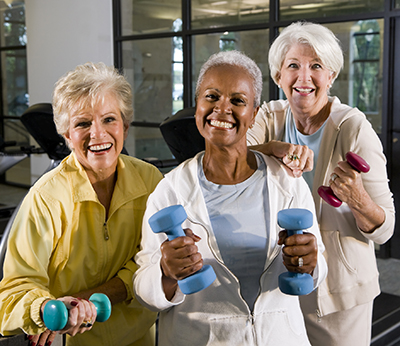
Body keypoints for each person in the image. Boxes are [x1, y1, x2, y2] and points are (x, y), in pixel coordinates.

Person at [133, 50, 327, 346]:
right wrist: (165, 272)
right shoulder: (170, 189)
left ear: (254, 113)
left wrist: (311, 264)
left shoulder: (287, 180)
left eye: (237, 100)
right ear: (197, 105)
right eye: (211, 97)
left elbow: (317, 268)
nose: (222, 109)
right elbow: (144, 290)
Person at [247, 21, 395, 346]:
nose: (304, 78)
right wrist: (272, 148)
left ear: (331, 76)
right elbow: (230, 157)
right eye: (293, 66)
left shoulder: (354, 129)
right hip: (277, 283)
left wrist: (357, 199)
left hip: (339, 295)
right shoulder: (270, 117)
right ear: (278, 76)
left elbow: (386, 228)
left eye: (316, 66)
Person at [0, 62, 163, 346]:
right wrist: (44, 310)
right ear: (67, 135)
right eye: (82, 123)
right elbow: (13, 295)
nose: (97, 134)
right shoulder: (46, 198)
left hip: (139, 338)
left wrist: (89, 298)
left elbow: (153, 258)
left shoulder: (150, 180)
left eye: (109, 119)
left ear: (125, 124)